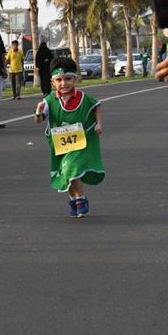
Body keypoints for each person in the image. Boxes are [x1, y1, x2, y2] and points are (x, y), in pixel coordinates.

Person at [34, 57, 104, 218]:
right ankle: (74, 200)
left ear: (75, 79)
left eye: (68, 79)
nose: (63, 83)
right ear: (52, 82)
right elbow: (38, 120)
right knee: (66, 171)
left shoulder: (83, 98)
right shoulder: (50, 100)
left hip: (80, 141)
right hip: (60, 143)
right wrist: (38, 111)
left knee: (72, 166)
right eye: (59, 80)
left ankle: (80, 200)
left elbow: (96, 106)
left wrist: (99, 124)